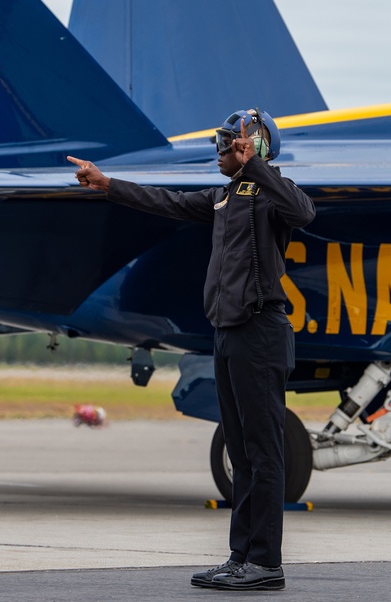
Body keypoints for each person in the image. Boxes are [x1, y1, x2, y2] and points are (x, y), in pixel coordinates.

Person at [68, 109, 315, 591]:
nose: (219, 152)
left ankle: (267, 563)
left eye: (228, 143)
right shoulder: (226, 197)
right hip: (228, 334)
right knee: (242, 453)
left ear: (256, 146)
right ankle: (240, 557)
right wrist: (107, 184)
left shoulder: (270, 192)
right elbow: (166, 201)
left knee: (265, 453)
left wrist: (257, 166)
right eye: (220, 143)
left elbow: (304, 213)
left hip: (261, 332)